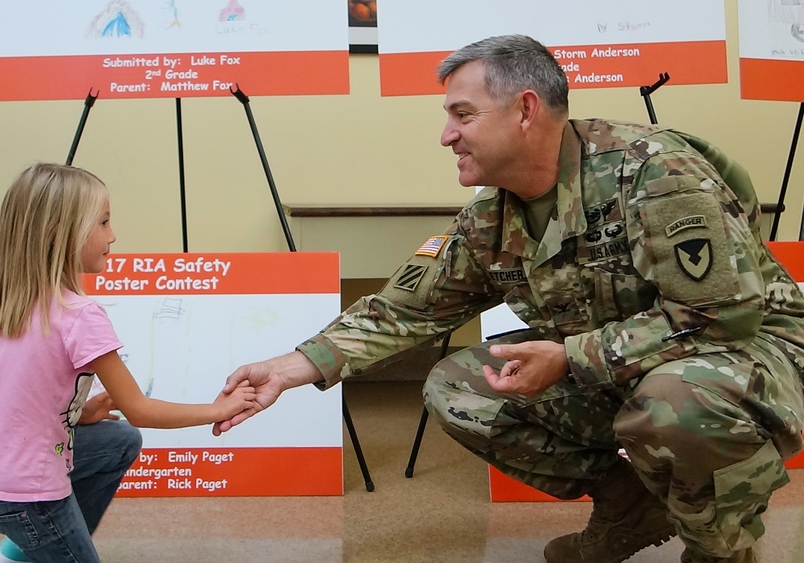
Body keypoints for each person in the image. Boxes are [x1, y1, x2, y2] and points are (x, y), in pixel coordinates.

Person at [212, 35, 804, 563]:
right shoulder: (488, 220)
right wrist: (290, 368)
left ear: (525, 109)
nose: (446, 135)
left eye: (462, 115)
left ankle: (721, 547)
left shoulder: (655, 174)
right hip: (626, 368)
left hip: (746, 359)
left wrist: (571, 358)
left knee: (677, 397)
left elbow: (721, 314)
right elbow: (402, 310)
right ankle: (628, 505)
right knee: (457, 387)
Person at [0, 163, 256, 563]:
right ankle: (39, 540)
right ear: (61, 233)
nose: (112, 236)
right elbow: (140, 409)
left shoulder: (7, 299)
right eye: (104, 222)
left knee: (119, 441)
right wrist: (219, 409)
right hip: (25, 490)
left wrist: (79, 414)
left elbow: (7, 401)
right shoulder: (80, 315)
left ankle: (22, 552)